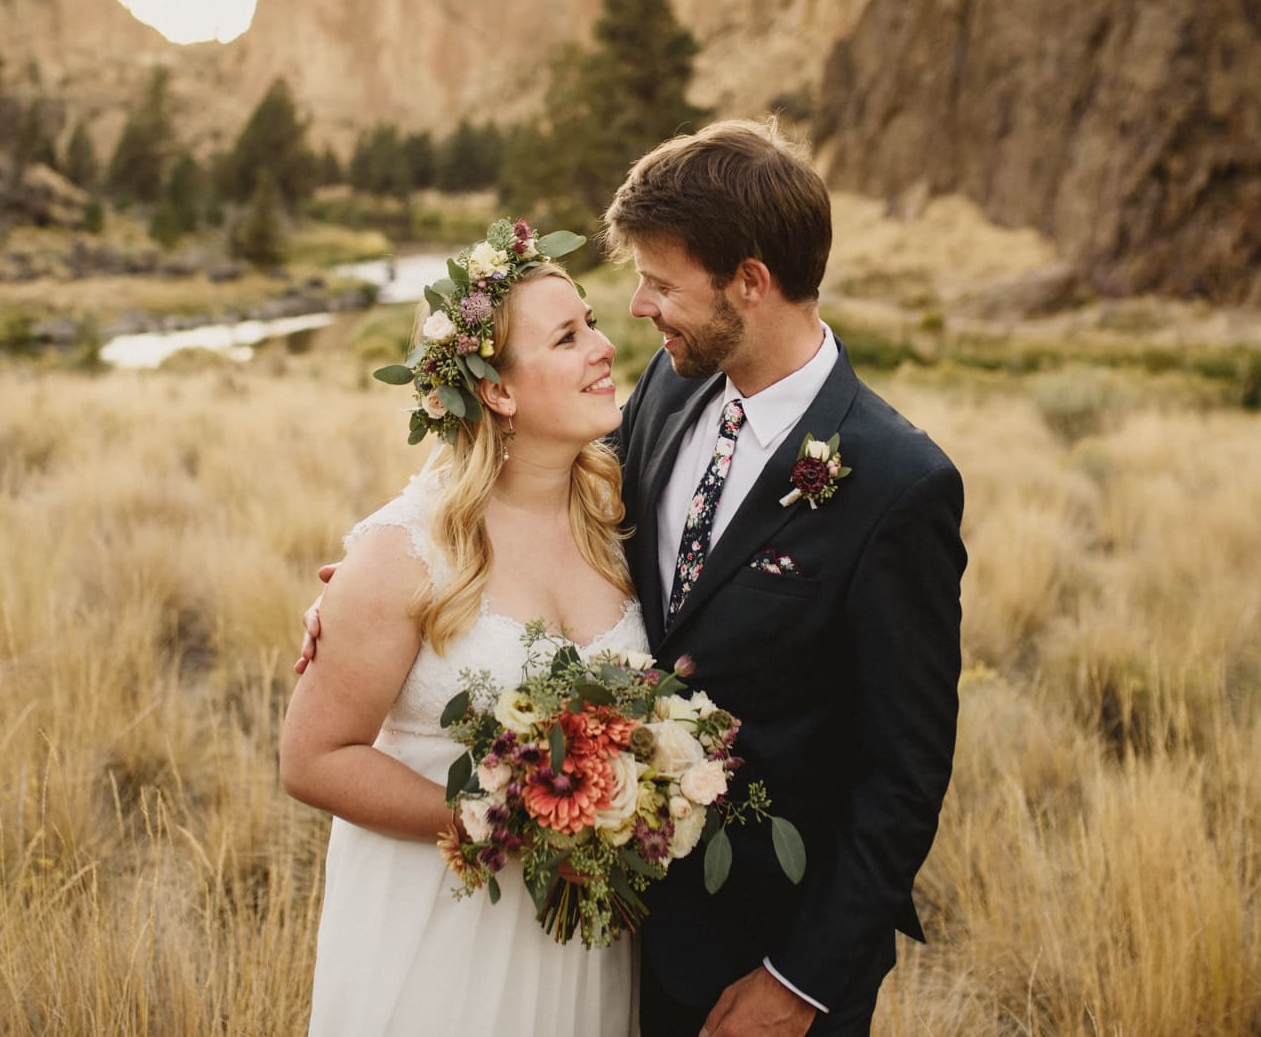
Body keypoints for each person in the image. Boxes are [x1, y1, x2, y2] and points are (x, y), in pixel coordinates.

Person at [300, 119, 965, 1036]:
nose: (640, 309)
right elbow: (517, 498)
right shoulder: (670, 387)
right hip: (614, 935)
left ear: (751, 283)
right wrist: (378, 592)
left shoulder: (898, 485)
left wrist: (802, 981)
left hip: (765, 961)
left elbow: (907, 773)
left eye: (659, 283)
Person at [279, 231, 645, 1037]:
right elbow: (311, 758)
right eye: (568, 336)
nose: (606, 345)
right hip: (440, 932)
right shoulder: (404, 550)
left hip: (581, 942)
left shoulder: (620, 527)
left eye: (591, 321)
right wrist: (494, 819)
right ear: (500, 392)